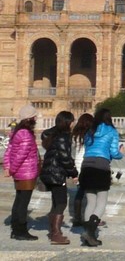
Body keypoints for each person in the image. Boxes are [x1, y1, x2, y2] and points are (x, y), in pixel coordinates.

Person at [79, 107, 124, 247]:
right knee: (101, 201)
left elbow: (89, 149)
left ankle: (87, 234)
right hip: (101, 166)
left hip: (86, 166)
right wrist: (121, 152)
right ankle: (91, 232)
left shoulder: (89, 131)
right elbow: (114, 153)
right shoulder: (111, 131)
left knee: (90, 201)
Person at [3, 104, 41, 240]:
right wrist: (12, 169)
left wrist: (8, 168)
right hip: (27, 173)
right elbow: (21, 155)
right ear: (29, 118)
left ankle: (15, 229)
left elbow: (8, 152)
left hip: (20, 173)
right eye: (34, 116)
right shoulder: (25, 134)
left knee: (19, 200)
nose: (36, 118)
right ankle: (21, 230)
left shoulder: (17, 132)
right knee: (23, 202)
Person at [40, 111, 79, 245]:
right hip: (56, 174)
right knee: (61, 202)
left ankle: (53, 231)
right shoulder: (62, 137)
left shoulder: (53, 135)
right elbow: (65, 158)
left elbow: (45, 133)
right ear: (68, 123)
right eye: (72, 121)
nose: (74, 123)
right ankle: (56, 234)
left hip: (50, 172)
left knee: (56, 202)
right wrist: (74, 173)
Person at [70, 112, 93, 226]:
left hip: (78, 164)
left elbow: (73, 153)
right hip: (87, 164)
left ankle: (77, 217)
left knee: (80, 192)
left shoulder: (75, 135)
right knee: (90, 193)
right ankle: (88, 217)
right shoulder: (89, 135)